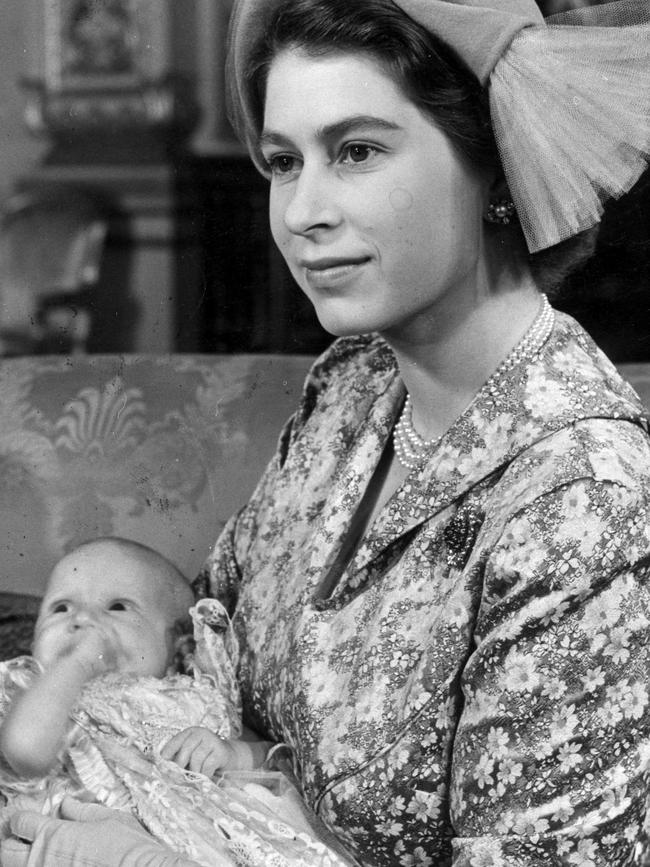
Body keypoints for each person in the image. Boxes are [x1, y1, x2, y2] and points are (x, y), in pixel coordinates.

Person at [3, 0, 650, 865]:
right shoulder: (353, 384)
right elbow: (201, 636)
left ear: (495, 169)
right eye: (281, 161)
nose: (302, 211)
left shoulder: (583, 503)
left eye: (357, 151)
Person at [0, 537, 351, 866]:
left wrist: (233, 753)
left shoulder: (197, 694)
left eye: (117, 606)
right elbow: (27, 750)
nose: (83, 620)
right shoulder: (28, 688)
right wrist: (72, 666)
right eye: (61, 607)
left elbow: (274, 762)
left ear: (179, 649)